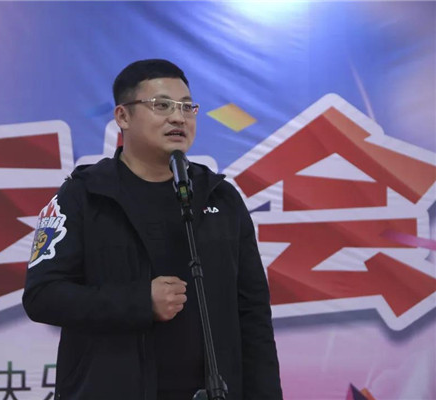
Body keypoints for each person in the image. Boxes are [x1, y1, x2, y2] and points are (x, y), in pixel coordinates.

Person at [23, 59, 282, 400]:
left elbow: (253, 314)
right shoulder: (83, 195)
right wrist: (138, 302)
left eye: (187, 107)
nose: (179, 118)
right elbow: (43, 297)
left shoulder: (220, 196)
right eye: (161, 105)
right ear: (123, 117)